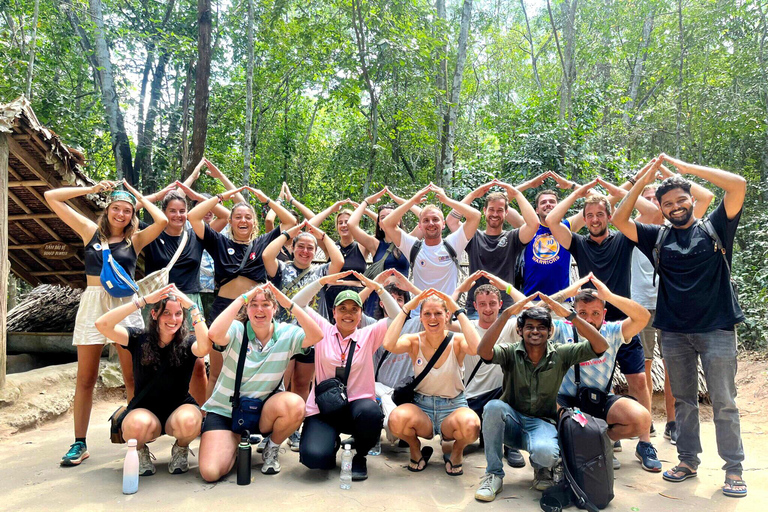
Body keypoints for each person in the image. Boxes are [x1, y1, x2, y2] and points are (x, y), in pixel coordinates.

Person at [611, 154, 748, 498]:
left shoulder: (716, 226)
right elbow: (619, 218)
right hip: (673, 331)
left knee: (724, 401)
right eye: (668, 203)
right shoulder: (656, 237)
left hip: (716, 329)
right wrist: (644, 179)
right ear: (660, 206)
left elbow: (738, 185)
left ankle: (733, 468)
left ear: (693, 200)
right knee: (684, 400)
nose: (675, 207)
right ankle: (687, 460)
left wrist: (684, 170)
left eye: (681, 200)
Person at [45, 180, 168, 467]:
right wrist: (90, 190)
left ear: (132, 214)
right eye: (116, 208)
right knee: (86, 378)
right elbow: (52, 197)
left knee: (131, 377)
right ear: (107, 210)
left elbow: (161, 220)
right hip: (93, 303)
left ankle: (137, 442)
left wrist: (137, 196)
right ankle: (79, 443)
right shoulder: (90, 231)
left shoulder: (134, 240)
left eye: (127, 210)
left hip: (125, 305)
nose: (121, 214)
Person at [546, 180, 655, 441]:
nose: (595, 220)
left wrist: (616, 192)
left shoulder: (624, 239)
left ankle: (645, 442)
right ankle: (596, 437)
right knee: (585, 385)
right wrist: (578, 193)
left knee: (638, 381)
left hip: (621, 324)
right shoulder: (579, 243)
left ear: (609, 216)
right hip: (589, 325)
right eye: (590, 216)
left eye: (600, 214)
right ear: (584, 219)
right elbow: (552, 221)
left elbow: (652, 214)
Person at [474, 293, 609, 502]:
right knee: (493, 407)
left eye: (541, 327)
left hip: (542, 424)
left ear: (550, 331)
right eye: (529, 326)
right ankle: (493, 475)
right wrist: (506, 314)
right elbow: (483, 351)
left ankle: (542, 468)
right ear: (520, 330)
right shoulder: (511, 352)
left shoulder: (561, 354)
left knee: (546, 453)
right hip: (512, 422)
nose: (535, 331)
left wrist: (571, 316)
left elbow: (601, 346)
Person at [198, 282, 323, 481]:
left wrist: (288, 303)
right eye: (253, 304)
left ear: (275, 308)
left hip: (263, 411)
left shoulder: (286, 333)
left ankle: (271, 447)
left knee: (295, 404)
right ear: (246, 309)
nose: (259, 310)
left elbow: (317, 335)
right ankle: (235, 443)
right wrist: (241, 298)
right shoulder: (237, 330)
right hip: (226, 411)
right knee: (211, 472)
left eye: (266, 304)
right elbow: (214, 334)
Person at [624, 167, 713, 444]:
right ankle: (646, 419)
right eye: (648, 197)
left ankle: (673, 422)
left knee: (673, 367)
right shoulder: (636, 232)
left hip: (670, 304)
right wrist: (637, 182)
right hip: (639, 306)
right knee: (644, 367)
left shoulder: (674, 230)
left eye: (656, 198)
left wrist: (670, 174)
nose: (651, 202)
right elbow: (614, 206)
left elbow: (705, 198)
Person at [187, 185, 297, 402]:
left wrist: (266, 200)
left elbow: (290, 223)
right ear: (230, 221)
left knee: (251, 369)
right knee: (216, 372)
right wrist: (222, 196)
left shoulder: (262, 242)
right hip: (224, 309)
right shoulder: (219, 242)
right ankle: (210, 420)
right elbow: (193, 216)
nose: (243, 221)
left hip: (254, 311)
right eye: (238, 217)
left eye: (248, 217)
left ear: (254, 222)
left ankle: (249, 417)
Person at [291, 271, 402, 481]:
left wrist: (377, 287)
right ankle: (330, 442)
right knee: (314, 460)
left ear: (361, 314)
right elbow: (297, 303)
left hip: (357, 408)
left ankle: (359, 454)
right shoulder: (321, 330)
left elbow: (397, 316)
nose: (348, 314)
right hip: (324, 407)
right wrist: (322, 281)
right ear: (334, 312)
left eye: (354, 309)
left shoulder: (369, 334)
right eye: (342, 309)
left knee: (372, 414)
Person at [95, 284, 211, 475]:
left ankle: (180, 448)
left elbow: (205, 347)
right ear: (155, 314)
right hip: (145, 410)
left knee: (191, 421)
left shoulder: (187, 342)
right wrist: (143, 301)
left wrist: (192, 307)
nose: (173, 319)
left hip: (179, 408)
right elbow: (102, 325)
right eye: (167, 313)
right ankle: (140, 451)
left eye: (178, 314)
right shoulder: (138, 338)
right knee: (135, 427)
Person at [550, 275, 662, 472]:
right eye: (582, 313)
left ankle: (601, 442)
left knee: (642, 419)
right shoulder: (561, 329)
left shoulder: (613, 331)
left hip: (599, 401)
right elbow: (532, 314)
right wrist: (566, 294)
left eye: (595, 313)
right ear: (573, 312)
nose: (589, 319)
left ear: (604, 313)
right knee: (548, 403)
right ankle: (579, 447)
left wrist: (610, 296)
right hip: (566, 402)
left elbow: (643, 317)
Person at [263, 220, 345, 451]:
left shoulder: (320, 271)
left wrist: (321, 235)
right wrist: (289, 232)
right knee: (280, 383)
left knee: (302, 384)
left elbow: (338, 261)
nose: (306, 251)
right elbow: (267, 256)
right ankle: (272, 429)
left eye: (311, 248)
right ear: (292, 248)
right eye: (301, 246)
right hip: (284, 336)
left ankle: (294, 429)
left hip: (309, 336)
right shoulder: (282, 268)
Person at [384, 289, 481, 476]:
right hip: (422, 407)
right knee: (395, 420)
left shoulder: (457, 341)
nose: (432, 318)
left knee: (471, 427)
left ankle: (457, 451)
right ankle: (415, 447)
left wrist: (458, 311)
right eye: (427, 313)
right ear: (420, 317)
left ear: (446, 316)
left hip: (453, 407)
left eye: (438, 313)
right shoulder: (414, 341)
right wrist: (406, 308)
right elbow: (389, 344)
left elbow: (477, 348)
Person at [452, 272, 527, 468]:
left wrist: (507, 287)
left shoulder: (510, 325)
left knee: (515, 387)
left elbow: (530, 308)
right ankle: (482, 436)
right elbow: (442, 318)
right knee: (457, 435)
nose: (487, 309)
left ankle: (511, 445)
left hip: (502, 394)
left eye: (492, 303)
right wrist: (460, 289)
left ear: (500, 305)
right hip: (473, 396)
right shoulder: (466, 327)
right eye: (482, 304)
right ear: (475, 306)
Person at [446, 179, 539, 316]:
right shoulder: (473, 237)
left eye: (500, 210)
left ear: (506, 213)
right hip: (476, 307)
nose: (495, 214)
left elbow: (534, 224)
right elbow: (451, 221)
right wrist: (472, 195)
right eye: (491, 209)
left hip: (506, 308)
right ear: (484, 211)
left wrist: (517, 194)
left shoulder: (513, 238)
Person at [381, 183, 481, 301]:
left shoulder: (453, 243)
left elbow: (475, 216)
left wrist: (447, 200)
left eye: (435, 219)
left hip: (447, 313)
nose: (431, 224)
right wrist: (412, 201)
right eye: (426, 220)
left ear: (443, 224)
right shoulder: (413, 247)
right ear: (420, 226)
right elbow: (387, 223)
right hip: (419, 314)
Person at [348, 187, 421, 317]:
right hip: (377, 299)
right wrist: (366, 202)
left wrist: (402, 202)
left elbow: (423, 218)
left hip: (401, 299)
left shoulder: (408, 242)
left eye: (392, 216)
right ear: (379, 224)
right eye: (382, 218)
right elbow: (351, 225)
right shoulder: (375, 244)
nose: (387, 220)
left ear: (398, 219)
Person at [514, 171, 586, 296]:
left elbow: (599, 201)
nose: (548, 204)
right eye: (543, 202)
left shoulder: (568, 226)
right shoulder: (527, 227)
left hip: (562, 301)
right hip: (531, 300)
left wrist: (571, 186)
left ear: (559, 206)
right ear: (536, 210)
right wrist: (529, 184)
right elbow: (501, 199)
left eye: (552, 202)